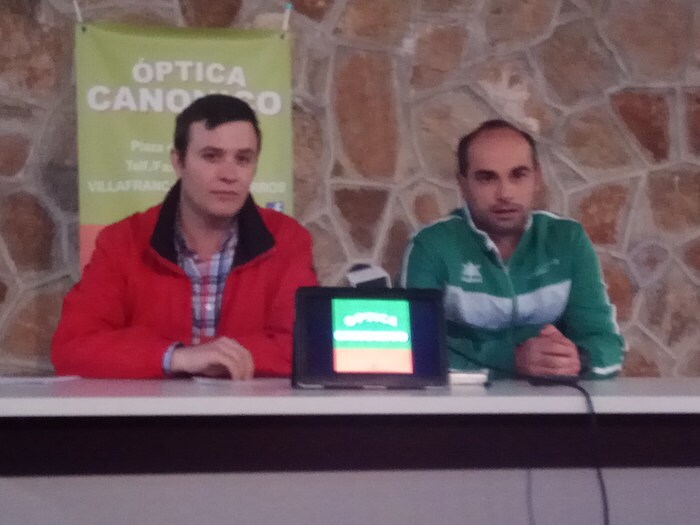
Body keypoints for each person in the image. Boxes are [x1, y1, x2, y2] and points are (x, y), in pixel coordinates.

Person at [52, 94, 317, 379]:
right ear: (178, 162)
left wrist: (222, 357)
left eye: (243, 159)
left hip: (249, 421)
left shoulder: (287, 239)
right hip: (151, 421)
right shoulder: (122, 241)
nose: (229, 174)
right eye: (211, 156)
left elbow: (307, 345)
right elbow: (73, 346)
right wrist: (176, 357)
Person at [401, 120, 623, 379]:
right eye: (487, 178)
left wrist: (578, 359)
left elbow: (608, 345)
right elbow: (414, 351)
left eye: (518, 175)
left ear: (537, 178)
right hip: (458, 413)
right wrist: (513, 359)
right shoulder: (431, 246)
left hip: (554, 410)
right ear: (463, 184)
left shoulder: (567, 239)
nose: (505, 193)